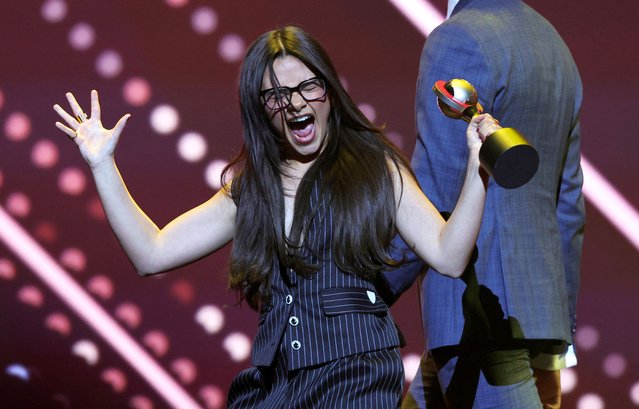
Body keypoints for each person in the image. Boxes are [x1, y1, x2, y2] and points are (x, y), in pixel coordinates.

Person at [53, 26, 499, 408]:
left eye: (309, 87)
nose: (296, 104)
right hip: (273, 385)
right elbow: (151, 252)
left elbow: (449, 254)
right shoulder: (253, 187)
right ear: (261, 109)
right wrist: (102, 165)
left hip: (354, 378)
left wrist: (478, 169)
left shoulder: (374, 167)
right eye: (278, 96)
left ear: (328, 90)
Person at [383, 1, 585, 408]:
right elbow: (568, 206)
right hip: (533, 315)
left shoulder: (459, 38)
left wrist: (368, 289)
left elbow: (434, 193)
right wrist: (556, 333)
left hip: (475, 316)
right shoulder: (553, 44)